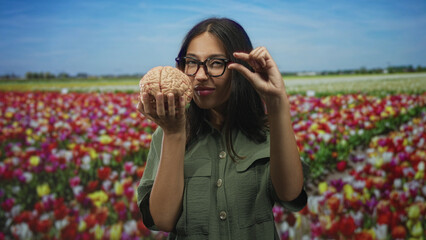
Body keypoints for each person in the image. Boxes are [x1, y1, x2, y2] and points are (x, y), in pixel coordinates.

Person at [137, 17, 307, 239]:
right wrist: (174, 134)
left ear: (241, 68)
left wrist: (277, 103)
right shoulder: (166, 132)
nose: (199, 76)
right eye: (191, 62)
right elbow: (162, 220)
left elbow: (290, 194)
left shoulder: (268, 131)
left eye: (216, 63)